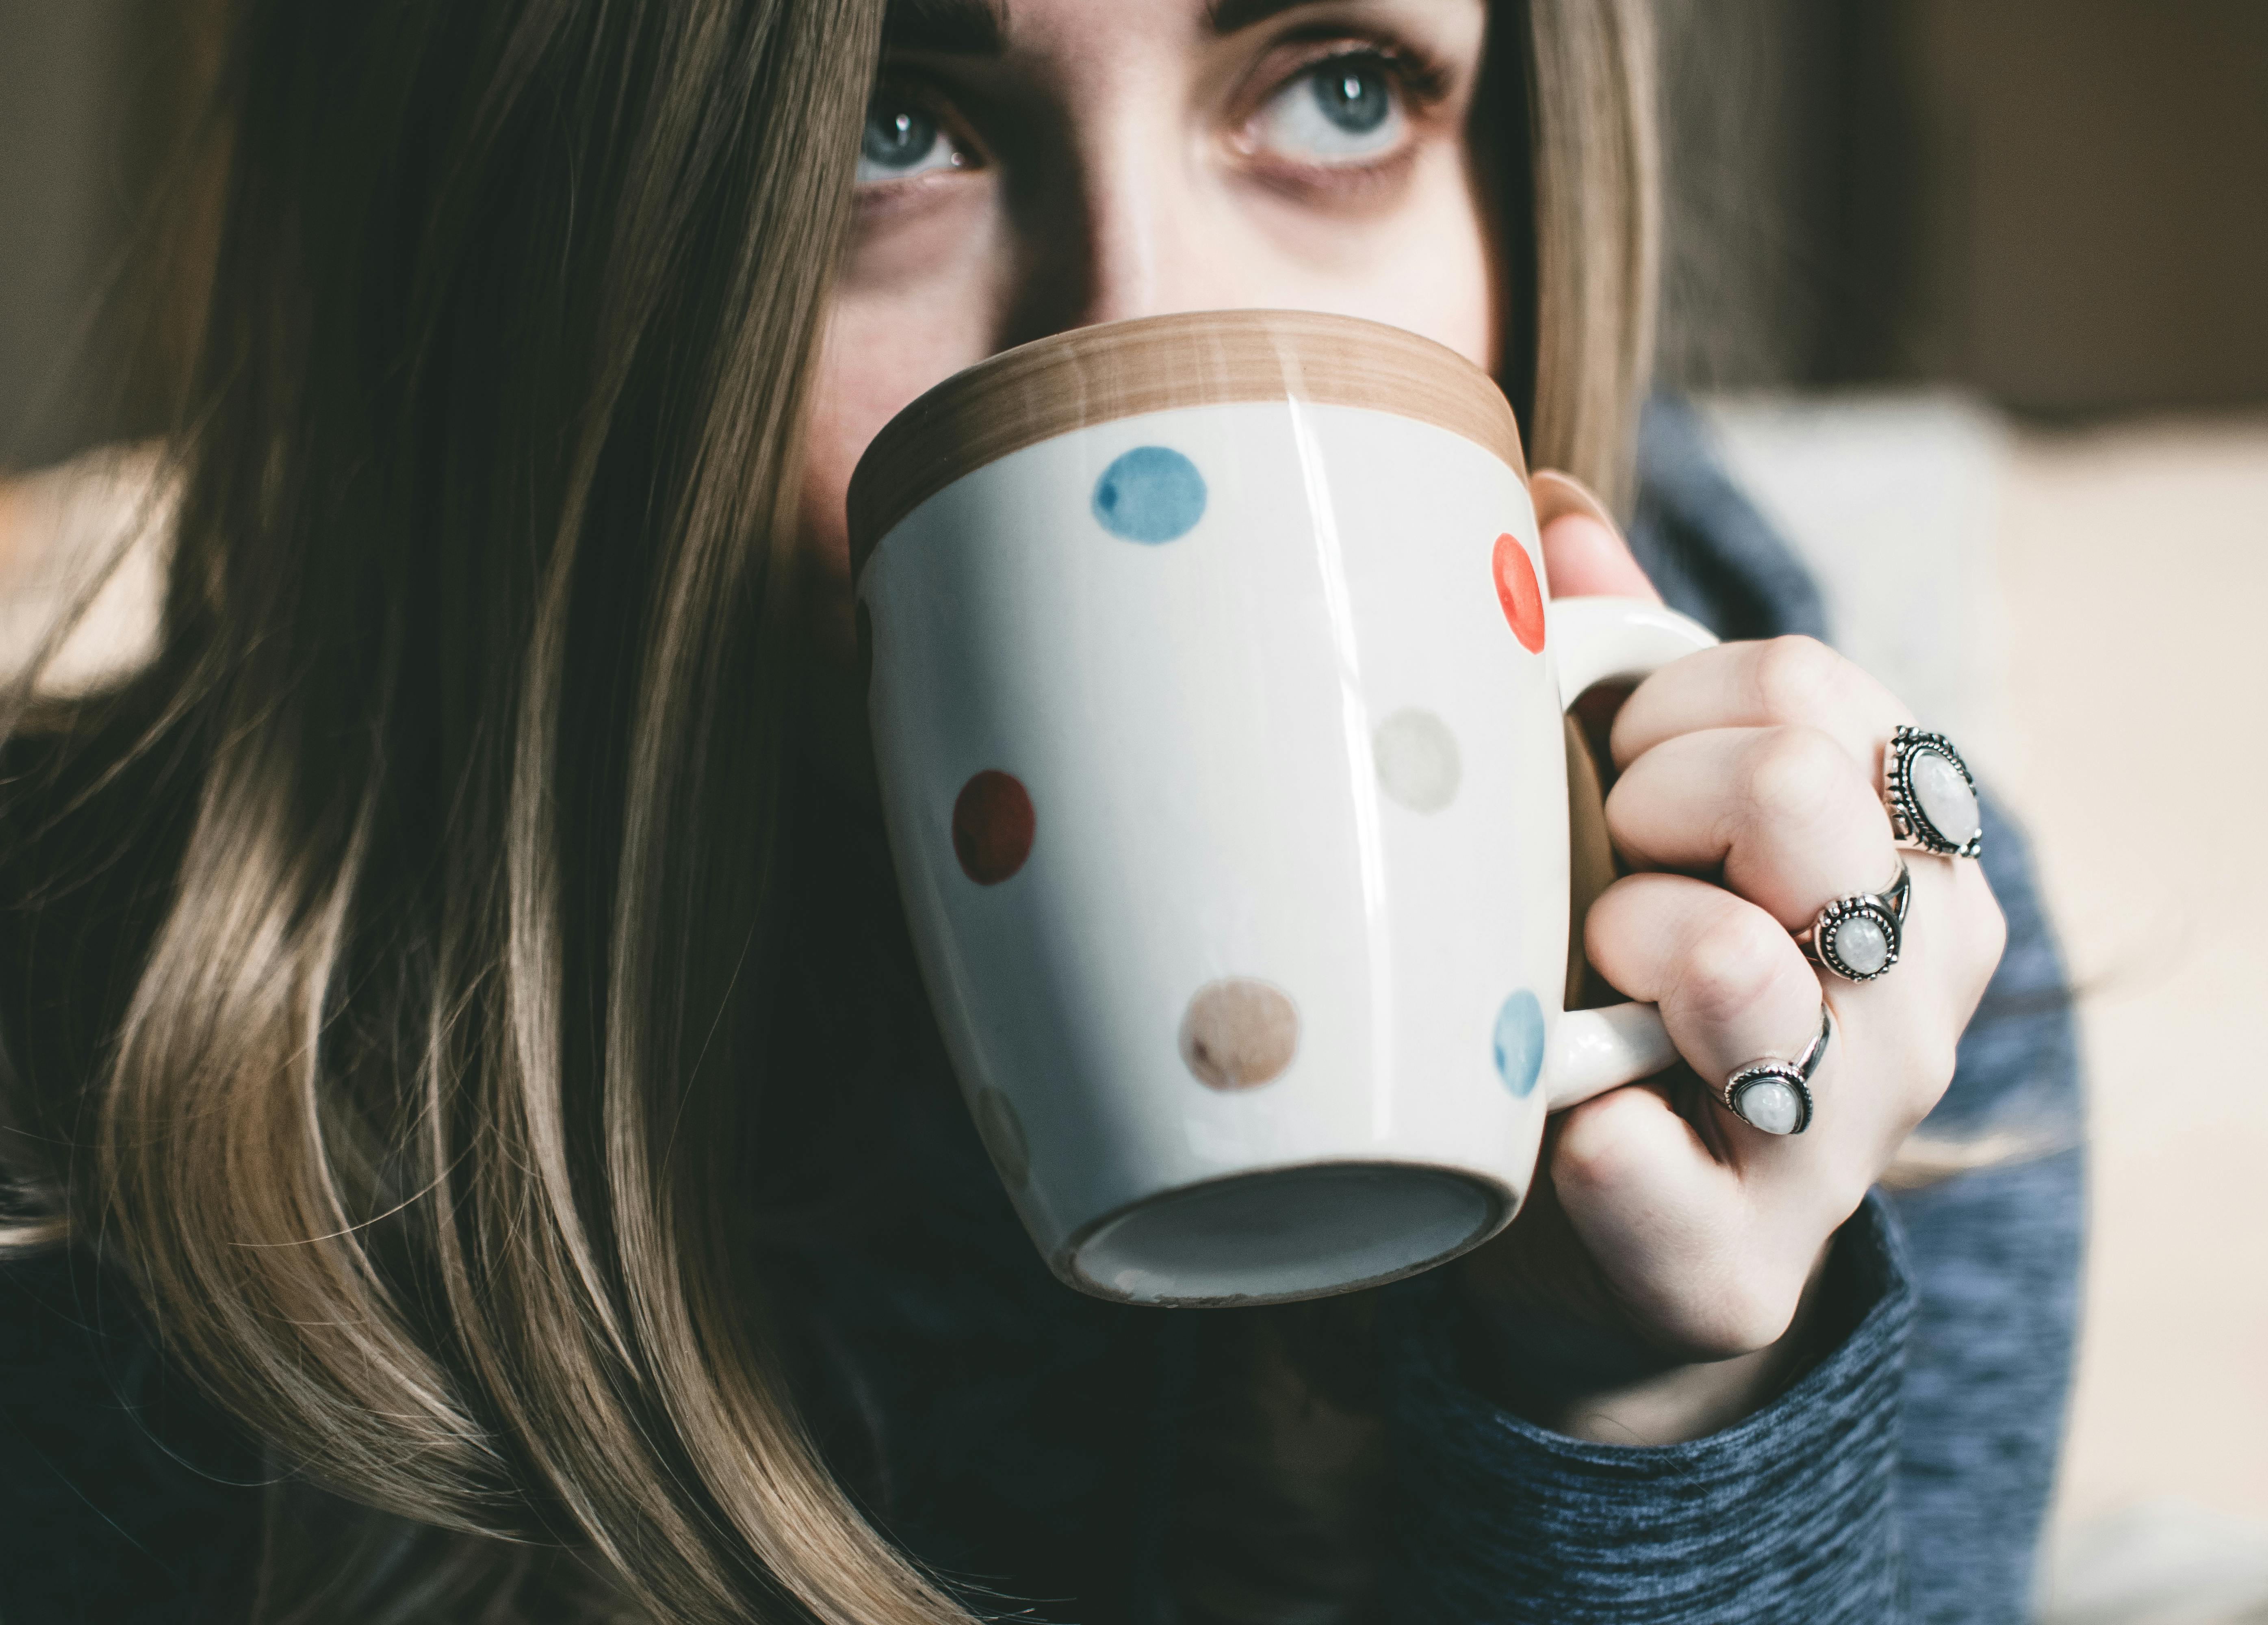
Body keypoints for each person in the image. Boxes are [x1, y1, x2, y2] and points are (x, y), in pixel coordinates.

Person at [0, 2, 2082, 1621]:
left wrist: (1659, 1422)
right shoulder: (89, 1064)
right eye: (880, 125)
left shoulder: (1827, 969)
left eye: (1343, 88)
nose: (1140, 336)